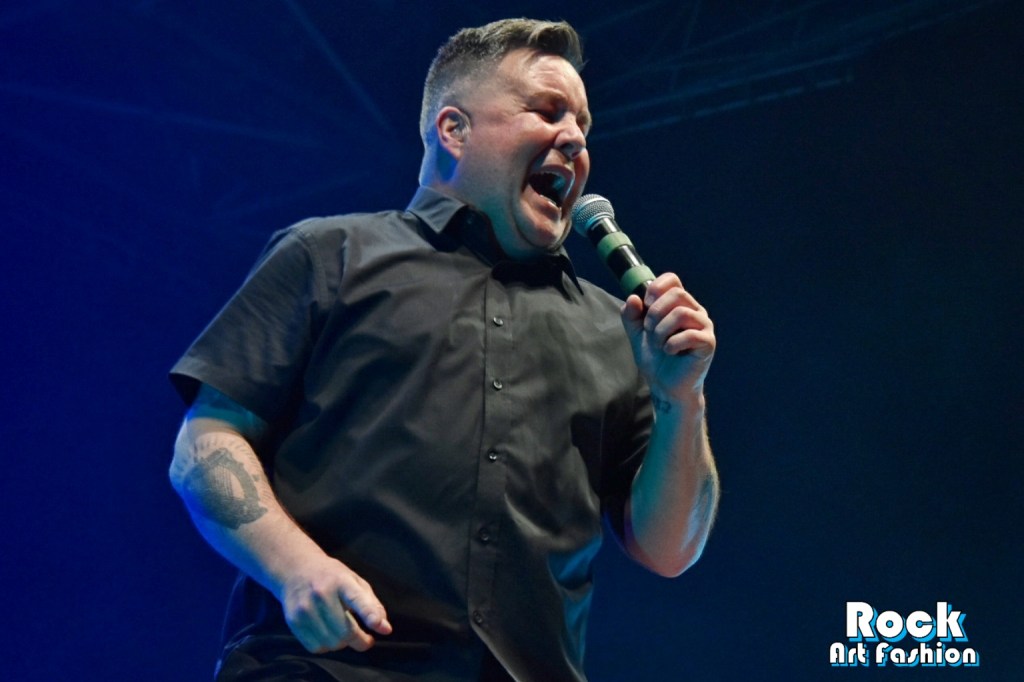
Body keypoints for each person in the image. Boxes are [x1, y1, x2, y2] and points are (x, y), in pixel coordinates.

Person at [169, 17, 719, 682]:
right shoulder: (330, 255)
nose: (575, 139)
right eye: (547, 111)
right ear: (454, 130)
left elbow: (669, 549)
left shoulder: (615, 329)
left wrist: (681, 397)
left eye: (582, 124)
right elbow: (205, 441)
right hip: (325, 669)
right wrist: (295, 568)